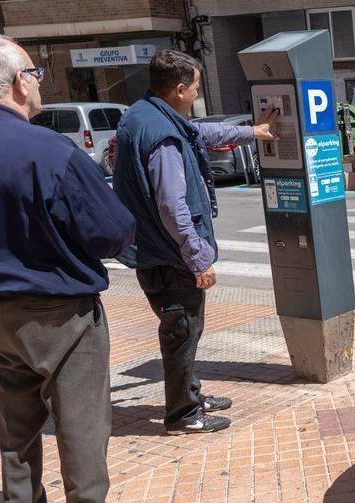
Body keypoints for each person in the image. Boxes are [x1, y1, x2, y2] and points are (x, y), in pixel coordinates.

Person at [0, 35, 152, 503]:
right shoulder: (48, 149)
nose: (39, 83)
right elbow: (113, 230)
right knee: (80, 420)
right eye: (35, 72)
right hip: (59, 310)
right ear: (16, 83)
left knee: (16, 421)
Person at [113, 50, 277, 436]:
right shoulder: (163, 135)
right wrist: (198, 258)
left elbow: (201, 132)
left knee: (185, 330)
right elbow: (173, 207)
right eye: (197, 89)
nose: (197, 96)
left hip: (154, 250)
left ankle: (191, 395)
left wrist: (251, 132)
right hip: (170, 256)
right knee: (181, 332)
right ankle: (183, 416)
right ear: (180, 88)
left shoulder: (143, 115)